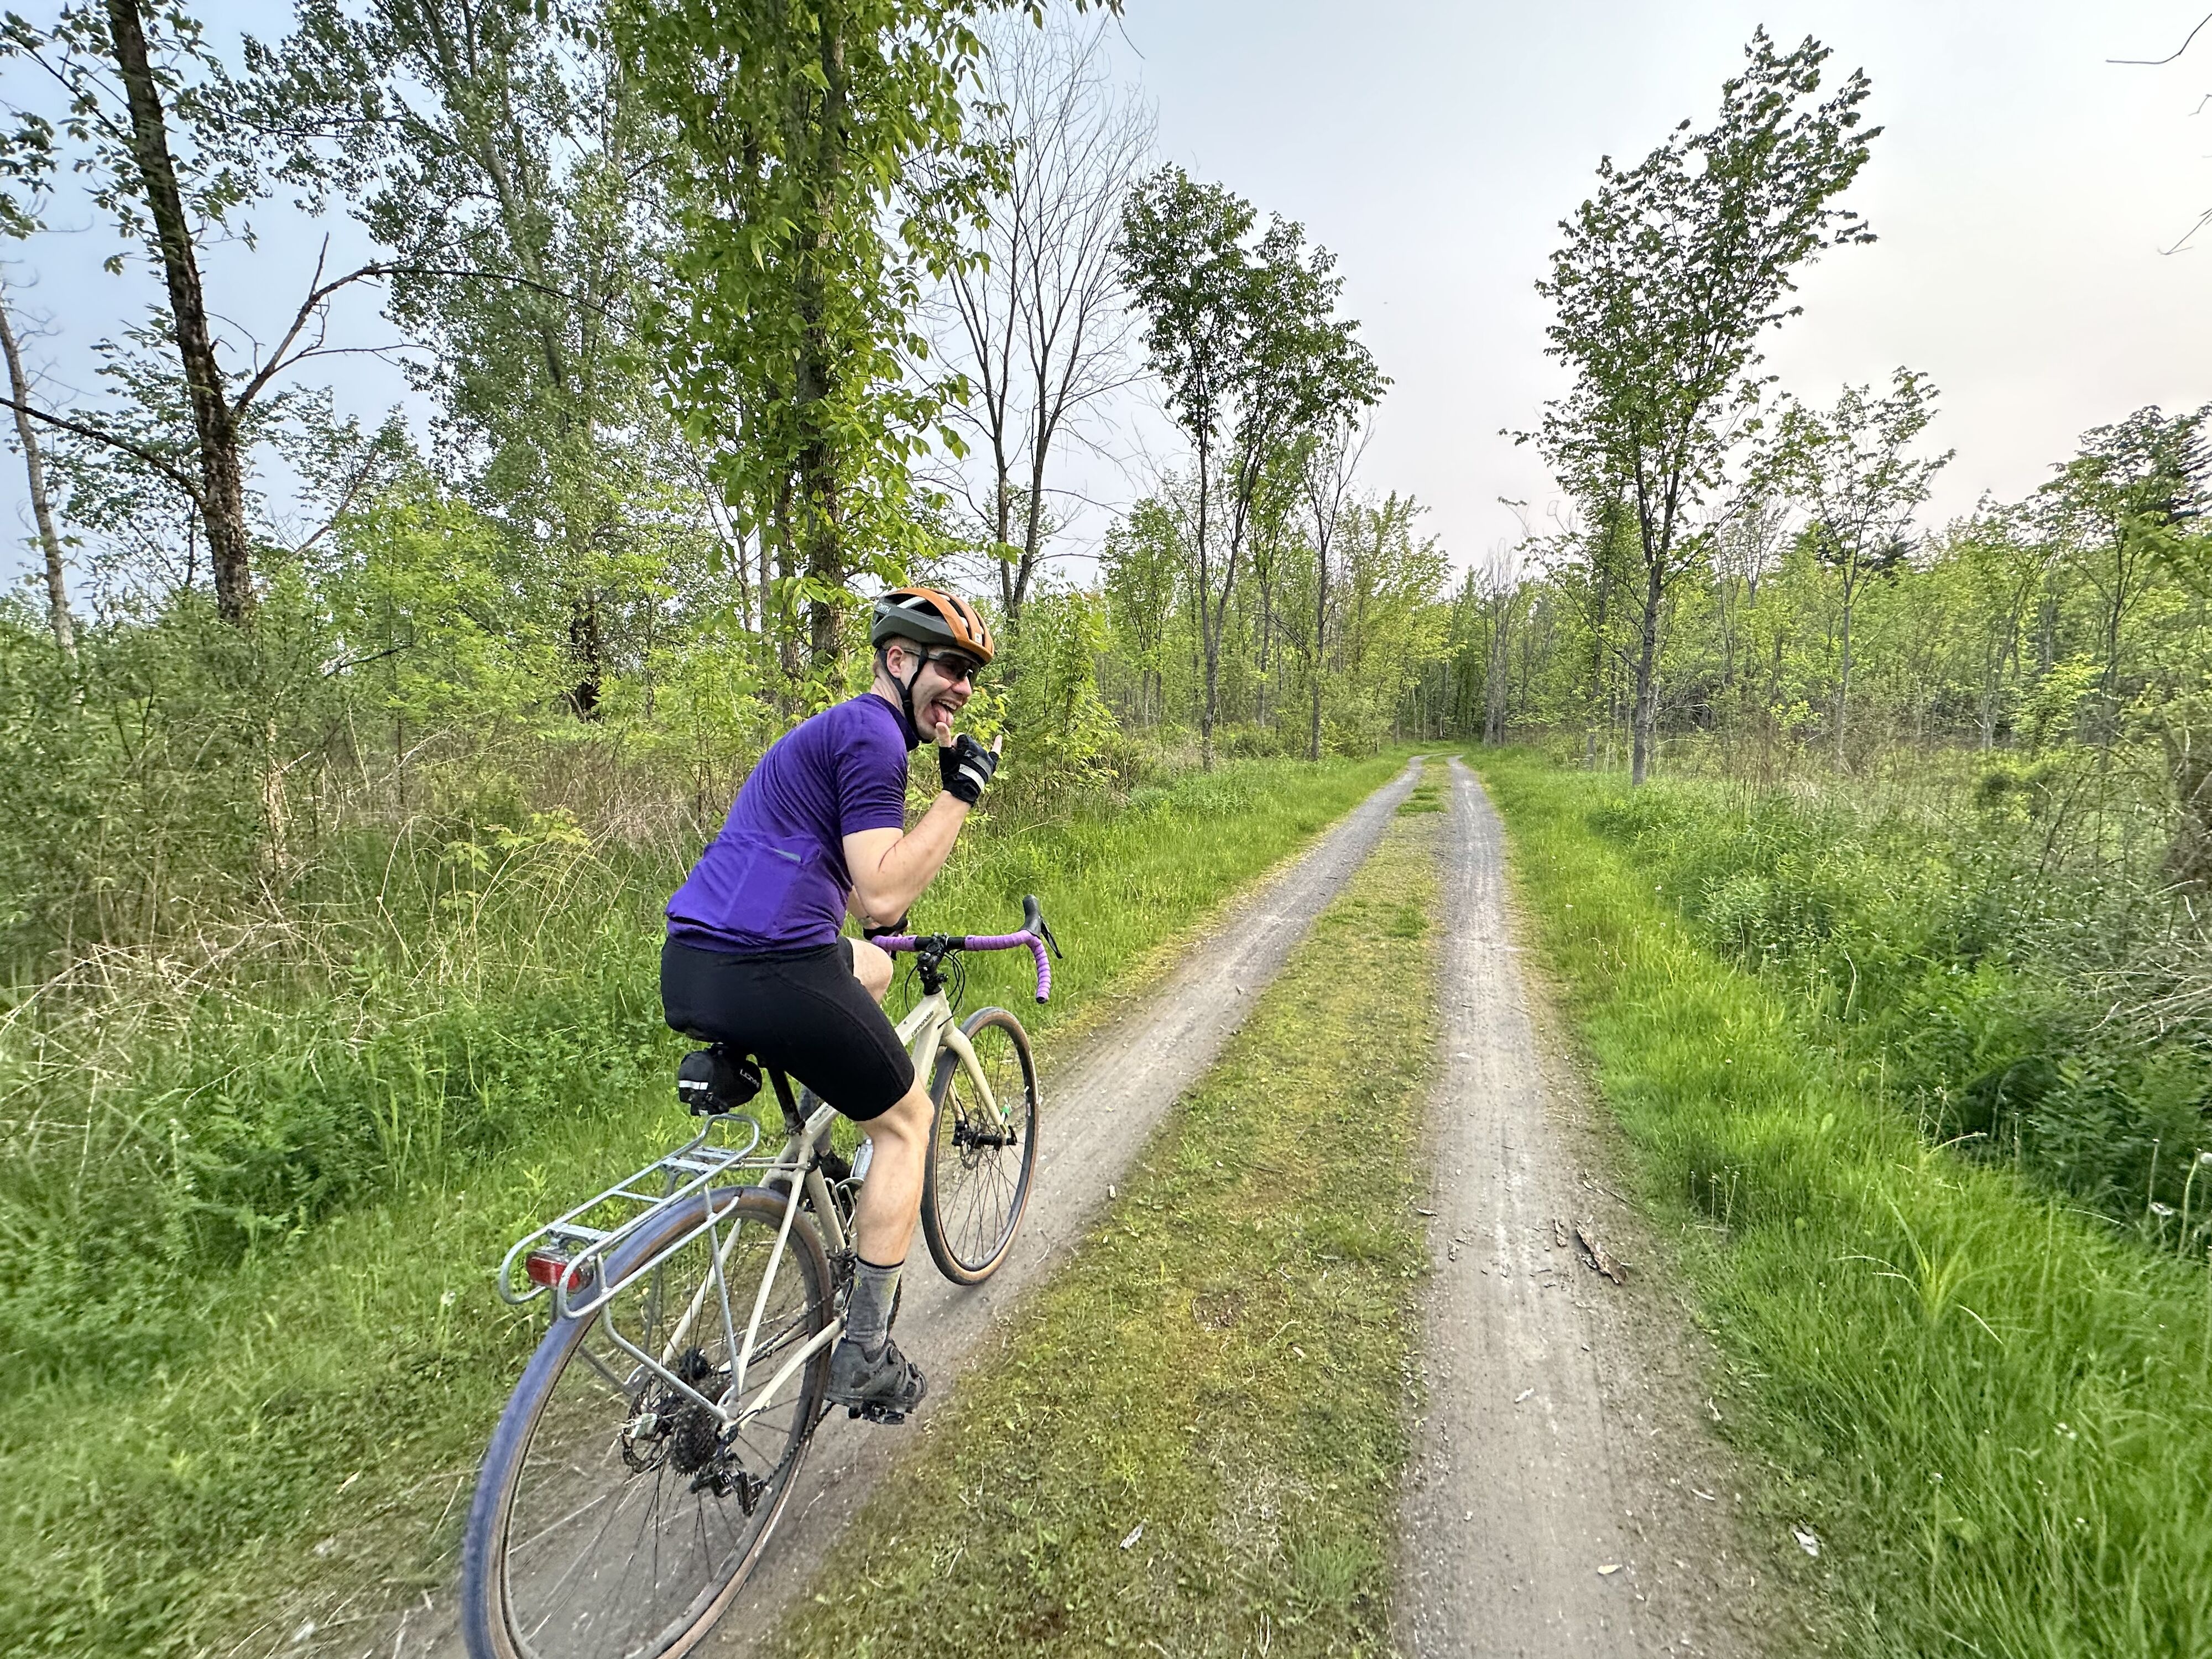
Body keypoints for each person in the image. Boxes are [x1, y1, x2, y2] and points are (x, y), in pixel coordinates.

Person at [659, 587, 1003, 1420]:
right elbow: (883, 894)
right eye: (950, 667)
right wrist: (960, 794)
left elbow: (860, 901)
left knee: (872, 970)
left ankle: (823, 1145)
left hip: (696, 962)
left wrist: (888, 908)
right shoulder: (875, 736)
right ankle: (867, 1354)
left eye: (969, 675)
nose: (961, 688)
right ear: (898, 660)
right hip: (772, 964)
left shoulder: (838, 731)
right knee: (910, 1124)